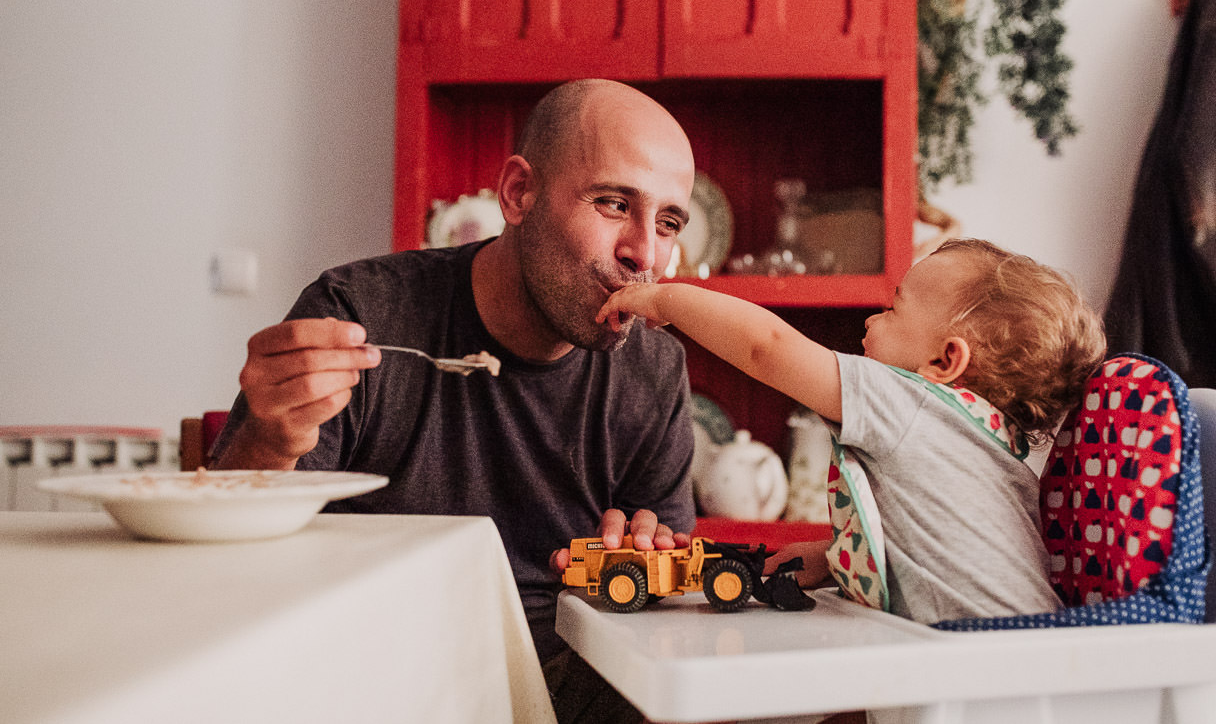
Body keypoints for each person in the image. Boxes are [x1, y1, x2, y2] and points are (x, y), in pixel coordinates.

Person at [210, 78, 699, 722]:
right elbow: (225, 569)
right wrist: (266, 441)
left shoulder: (655, 369)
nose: (645, 254)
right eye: (613, 203)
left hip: (571, 681)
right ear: (518, 193)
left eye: (667, 223)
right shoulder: (361, 315)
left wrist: (643, 561)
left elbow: (664, 603)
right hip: (375, 679)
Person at [598, 237, 1107, 626]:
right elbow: (941, 550)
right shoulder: (998, 451)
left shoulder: (912, 400)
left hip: (981, 672)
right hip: (1027, 663)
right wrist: (834, 555)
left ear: (944, 361)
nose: (871, 321)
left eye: (893, 310)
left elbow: (766, 347)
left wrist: (666, 299)